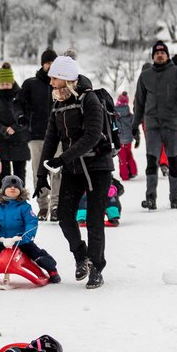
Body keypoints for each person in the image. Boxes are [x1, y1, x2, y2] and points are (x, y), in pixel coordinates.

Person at [37, 55, 113, 289]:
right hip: (73, 167)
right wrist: (42, 174)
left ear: (66, 78)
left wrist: (62, 158)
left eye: (54, 78)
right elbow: (51, 138)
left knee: (93, 219)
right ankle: (82, 257)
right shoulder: (58, 102)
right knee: (65, 215)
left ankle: (97, 267)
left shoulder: (89, 99)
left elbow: (92, 136)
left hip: (98, 167)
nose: (50, 83)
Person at [133, 41, 177, 210]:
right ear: (153, 56)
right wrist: (135, 124)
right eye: (157, 53)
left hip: (173, 124)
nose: (160, 55)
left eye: (163, 52)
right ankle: (150, 197)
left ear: (167, 55)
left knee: (173, 161)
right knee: (151, 161)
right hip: (152, 124)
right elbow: (139, 102)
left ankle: (174, 197)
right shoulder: (145, 76)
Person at [0, 175, 60, 283]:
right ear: (3, 190)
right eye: (9, 186)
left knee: (37, 254)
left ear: (20, 191)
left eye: (16, 187)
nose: (12, 188)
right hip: (2, 241)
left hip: (21, 241)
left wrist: (25, 236)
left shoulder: (25, 207)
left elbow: (31, 222)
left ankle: (52, 271)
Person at [17, 49, 61, 216]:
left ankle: (55, 205)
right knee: (38, 171)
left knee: (57, 171)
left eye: (52, 62)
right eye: (47, 62)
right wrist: (21, 117)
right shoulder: (31, 84)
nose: (49, 66)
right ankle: (43, 204)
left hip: (58, 136)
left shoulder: (61, 83)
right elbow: (18, 103)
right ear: (42, 64)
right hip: (36, 135)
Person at [0, 62, 29, 188]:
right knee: (4, 176)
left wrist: (15, 128)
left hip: (20, 141)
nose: (5, 86)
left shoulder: (22, 97)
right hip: (1, 142)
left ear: (12, 82)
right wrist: (2, 129)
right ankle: (5, 201)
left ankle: (20, 203)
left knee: (20, 176)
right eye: (2, 84)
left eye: (7, 83)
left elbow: (28, 116)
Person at [114, 91, 139, 181]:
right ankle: (133, 171)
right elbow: (134, 127)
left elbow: (114, 128)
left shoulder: (115, 115)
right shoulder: (130, 115)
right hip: (128, 140)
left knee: (122, 159)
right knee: (129, 155)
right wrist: (137, 138)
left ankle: (124, 176)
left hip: (120, 140)